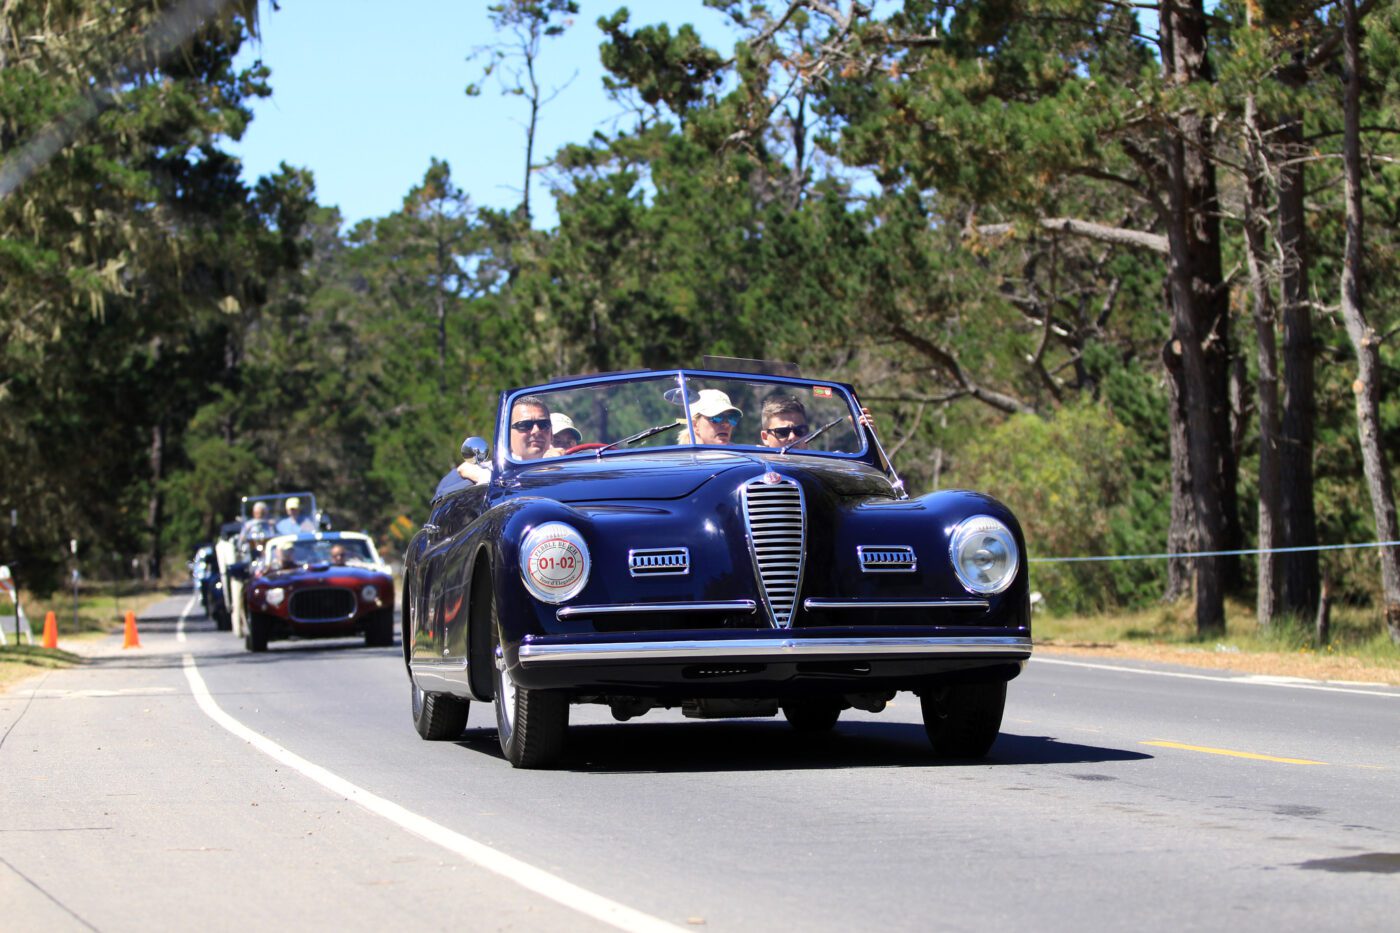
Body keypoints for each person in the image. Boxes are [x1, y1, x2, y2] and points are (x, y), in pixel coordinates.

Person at [457, 395, 556, 483]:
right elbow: (465, 467)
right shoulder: (500, 468)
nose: (536, 430)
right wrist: (488, 478)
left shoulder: (563, 458)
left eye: (544, 424)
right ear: (507, 435)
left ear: (551, 434)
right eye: (525, 425)